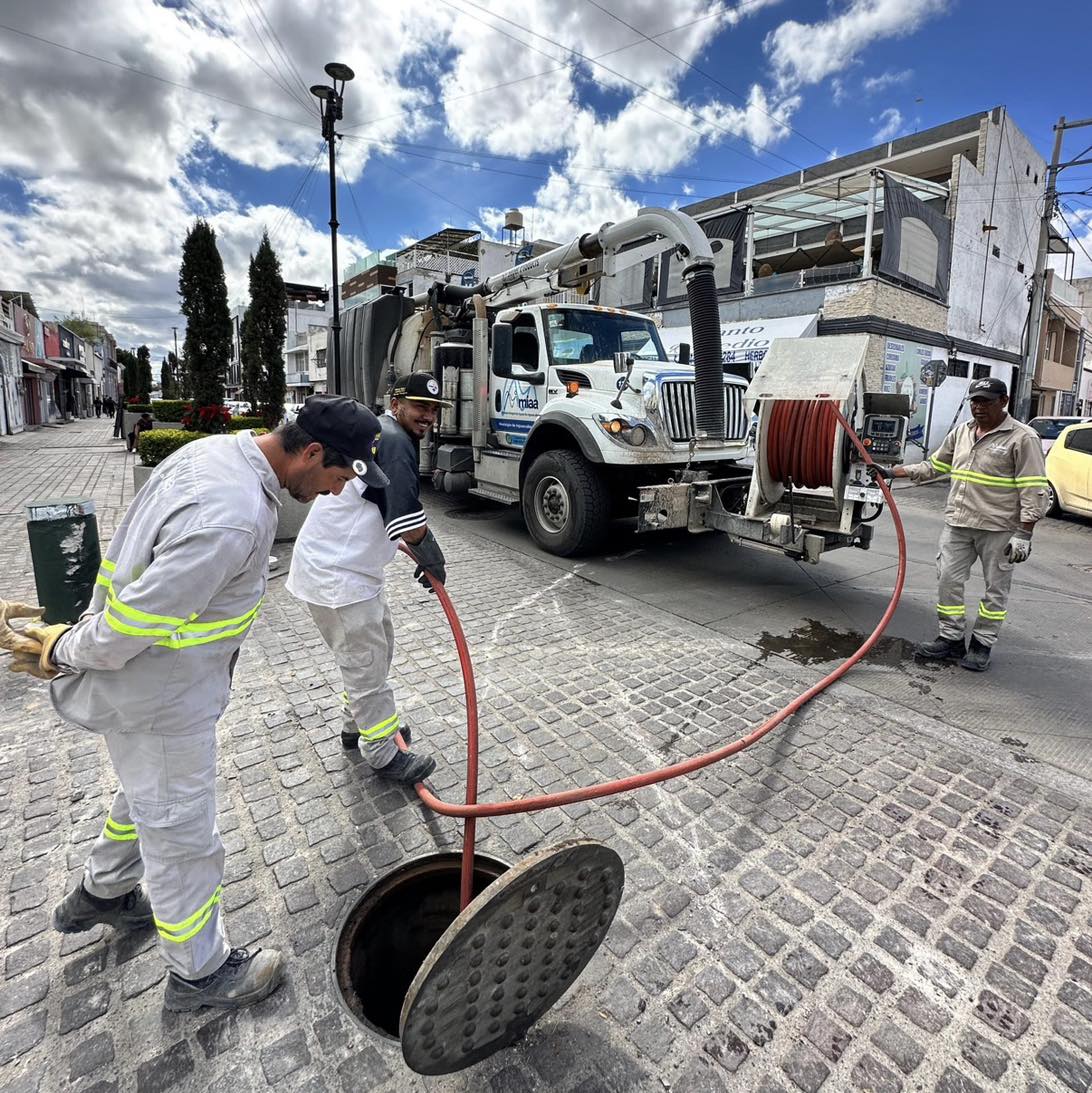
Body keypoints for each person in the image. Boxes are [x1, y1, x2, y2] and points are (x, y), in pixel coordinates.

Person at [0, 395, 387, 1011]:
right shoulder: (230, 516)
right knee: (181, 832)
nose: (339, 493)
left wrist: (72, 644)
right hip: (160, 696)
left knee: (142, 797)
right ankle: (200, 971)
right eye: (339, 477)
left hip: (149, 691)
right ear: (311, 453)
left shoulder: (215, 456)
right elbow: (134, 623)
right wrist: (64, 649)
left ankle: (104, 892)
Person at [287, 372, 450, 784]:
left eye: (433, 409)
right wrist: (432, 557)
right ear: (397, 403)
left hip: (351, 572)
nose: (427, 416)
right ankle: (381, 752)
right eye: (420, 407)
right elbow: (407, 520)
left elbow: (377, 508)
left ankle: (357, 722)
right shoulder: (393, 440)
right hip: (338, 578)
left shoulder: (386, 431)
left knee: (377, 649)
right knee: (366, 662)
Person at [872, 377, 1048, 672]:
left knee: (995, 590)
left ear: (1004, 402)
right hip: (958, 522)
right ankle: (951, 639)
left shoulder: (1022, 437)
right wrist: (893, 471)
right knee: (948, 581)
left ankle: (982, 644)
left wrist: (1024, 535)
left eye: (986, 401)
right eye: (974, 401)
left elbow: (1033, 488)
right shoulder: (962, 432)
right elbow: (935, 466)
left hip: (999, 528)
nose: (978, 407)